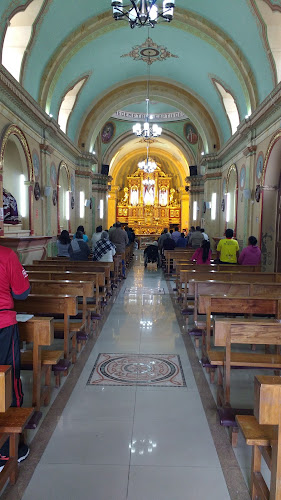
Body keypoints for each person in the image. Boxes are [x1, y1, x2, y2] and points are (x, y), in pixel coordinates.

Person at [0, 245, 31, 470]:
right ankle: (6, 450)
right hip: (2, 325)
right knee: (8, 379)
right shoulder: (6, 254)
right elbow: (21, 292)